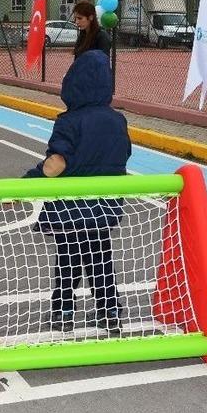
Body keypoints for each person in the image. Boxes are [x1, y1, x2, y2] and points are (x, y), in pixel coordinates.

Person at [22, 49, 131, 334]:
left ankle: (63, 312)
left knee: (68, 260)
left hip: (71, 208)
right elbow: (123, 155)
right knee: (100, 259)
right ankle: (109, 312)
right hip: (106, 206)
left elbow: (57, 163)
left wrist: (30, 179)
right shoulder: (117, 120)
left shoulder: (70, 121)